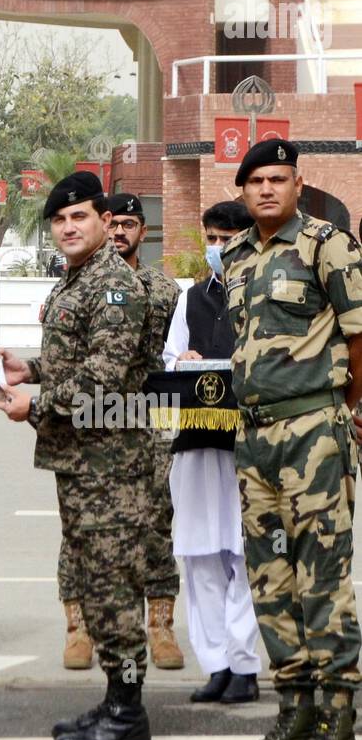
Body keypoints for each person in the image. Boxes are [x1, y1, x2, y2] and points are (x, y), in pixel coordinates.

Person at [0, 171, 155, 740]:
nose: (67, 227)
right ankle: (115, 699)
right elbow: (75, 358)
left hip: (110, 465)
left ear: (106, 222)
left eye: (79, 216)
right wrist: (29, 371)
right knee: (94, 582)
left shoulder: (113, 286)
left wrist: (33, 405)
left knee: (113, 585)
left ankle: (129, 714)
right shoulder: (78, 280)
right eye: (59, 219)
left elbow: (101, 382)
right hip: (82, 462)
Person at [223, 140, 362, 740]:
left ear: (298, 184)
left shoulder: (326, 243)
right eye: (256, 181)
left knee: (323, 582)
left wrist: (347, 413)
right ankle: (295, 713)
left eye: (279, 179)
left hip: (314, 432)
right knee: (271, 581)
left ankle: (338, 725)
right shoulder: (235, 256)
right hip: (254, 440)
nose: (268, 189)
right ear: (243, 191)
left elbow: (359, 334)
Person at [162, 200, 261, 705]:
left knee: (245, 555)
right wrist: (184, 359)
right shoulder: (192, 299)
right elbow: (169, 356)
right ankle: (216, 663)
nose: (218, 248)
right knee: (200, 553)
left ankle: (244, 665)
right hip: (199, 436)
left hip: (249, 441)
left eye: (227, 238)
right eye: (212, 238)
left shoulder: (266, 297)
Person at [104, 192, 184, 671]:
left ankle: (161, 626)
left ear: (143, 231)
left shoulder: (165, 288)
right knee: (96, 524)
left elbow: (176, 351)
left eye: (129, 224)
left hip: (153, 416)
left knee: (157, 519)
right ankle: (93, 627)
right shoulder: (83, 283)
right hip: (101, 414)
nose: (120, 233)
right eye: (113, 224)